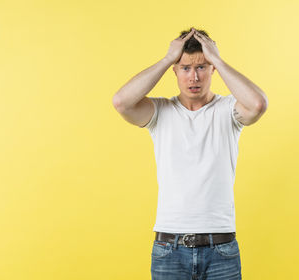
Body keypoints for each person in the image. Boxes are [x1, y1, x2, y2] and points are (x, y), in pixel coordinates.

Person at [112, 27, 268, 280]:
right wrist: (166, 59)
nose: (194, 77)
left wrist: (216, 57)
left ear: (212, 70)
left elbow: (258, 104)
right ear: (175, 70)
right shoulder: (159, 112)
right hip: (169, 249)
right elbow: (121, 102)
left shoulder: (229, 110)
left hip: (221, 248)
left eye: (202, 67)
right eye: (185, 68)